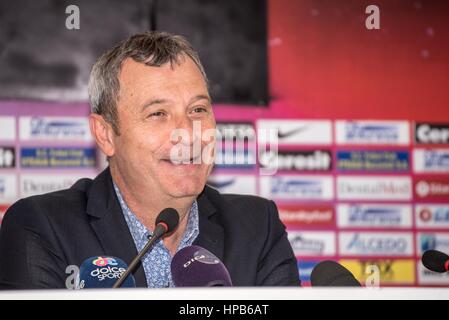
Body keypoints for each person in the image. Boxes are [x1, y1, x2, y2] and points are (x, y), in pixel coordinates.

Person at [0, 31, 299, 288]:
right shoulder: (42, 227)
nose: (188, 134)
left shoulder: (259, 228)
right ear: (105, 134)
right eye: (158, 114)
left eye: (197, 110)